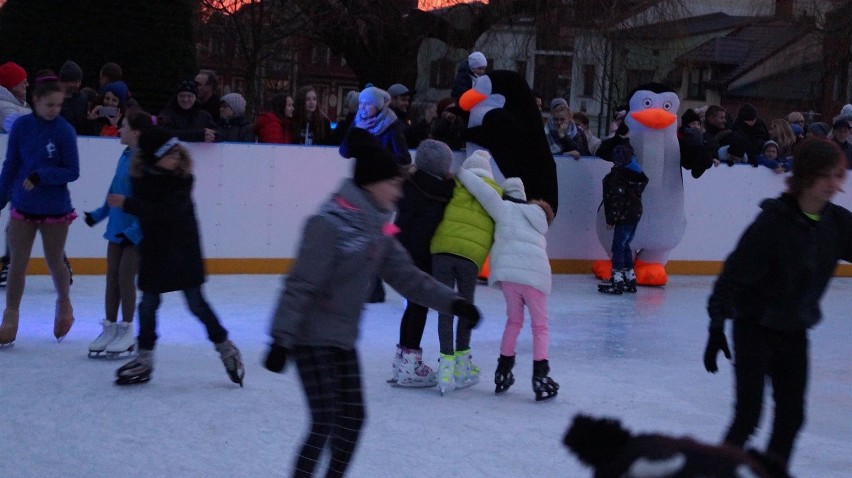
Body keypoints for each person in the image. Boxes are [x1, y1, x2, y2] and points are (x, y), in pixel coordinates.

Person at [263, 128, 481, 477]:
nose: (398, 192)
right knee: (326, 422)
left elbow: (408, 276)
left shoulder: (376, 228)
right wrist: (280, 339)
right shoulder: (328, 224)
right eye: (392, 184)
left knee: (352, 420)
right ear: (371, 184)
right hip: (308, 338)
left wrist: (453, 303)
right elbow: (299, 285)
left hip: (341, 340)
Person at [703, 137, 852, 474]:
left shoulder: (837, 224)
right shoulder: (772, 224)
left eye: (838, 175)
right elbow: (732, 278)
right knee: (748, 418)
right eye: (827, 175)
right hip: (754, 327)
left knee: (791, 419)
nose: (835, 184)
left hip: (794, 330)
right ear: (807, 176)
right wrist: (716, 325)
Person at [107, 127, 244, 386]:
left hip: (183, 252)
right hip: (155, 251)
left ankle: (226, 348)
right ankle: (145, 358)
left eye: (176, 151)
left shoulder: (182, 180)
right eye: (169, 154)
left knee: (196, 304)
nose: (176, 157)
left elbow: (167, 212)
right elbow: (149, 214)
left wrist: (128, 204)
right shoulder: (141, 180)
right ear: (152, 158)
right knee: (147, 305)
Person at [456, 170, 560, 401]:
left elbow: (481, 190)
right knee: (540, 326)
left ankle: (503, 371)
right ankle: (540, 377)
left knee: (514, 321)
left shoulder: (503, 208)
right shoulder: (538, 216)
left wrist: (458, 171)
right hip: (536, 276)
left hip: (510, 276)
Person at [0, 76, 80, 347]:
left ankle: (64, 304)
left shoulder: (64, 131)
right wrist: (1, 196)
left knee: (54, 260)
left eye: (58, 105)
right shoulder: (22, 127)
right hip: (23, 205)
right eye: (49, 104)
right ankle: (10, 317)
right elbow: (11, 165)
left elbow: (72, 170)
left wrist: (41, 175)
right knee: (17, 263)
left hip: (55, 209)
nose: (54, 110)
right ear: (35, 100)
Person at [429, 149, 501, 395]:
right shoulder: (494, 194)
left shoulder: (453, 186)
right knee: (465, 306)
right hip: (470, 257)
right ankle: (461, 364)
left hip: (442, 249)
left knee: (445, 306)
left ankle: (446, 365)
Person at [84, 110, 153, 358]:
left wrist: (133, 231)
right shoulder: (124, 155)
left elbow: (148, 202)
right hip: (116, 227)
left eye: (123, 126)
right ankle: (110, 328)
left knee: (125, 277)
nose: (119, 129)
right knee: (111, 277)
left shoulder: (145, 161)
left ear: (136, 132)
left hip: (136, 231)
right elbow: (113, 190)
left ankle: (126, 330)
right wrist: (98, 214)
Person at [389, 139, 455, 387]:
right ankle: (410, 364)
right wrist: (451, 182)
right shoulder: (439, 191)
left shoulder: (409, 184)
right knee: (419, 307)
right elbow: (449, 194)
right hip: (423, 254)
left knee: (412, 306)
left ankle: (402, 359)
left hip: (402, 250)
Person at [598, 144, 648, 294]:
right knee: (625, 244)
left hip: (624, 216)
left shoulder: (618, 176)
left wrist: (611, 219)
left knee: (618, 246)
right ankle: (629, 276)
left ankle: (617, 278)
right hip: (634, 214)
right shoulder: (637, 174)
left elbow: (616, 199)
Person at [340, 86, 411, 166]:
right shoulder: (358, 122)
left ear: (378, 106)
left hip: (383, 176)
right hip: (362, 176)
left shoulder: (391, 125)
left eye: (368, 104)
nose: (362, 107)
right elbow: (344, 152)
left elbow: (405, 159)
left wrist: (378, 163)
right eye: (361, 103)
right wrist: (357, 130)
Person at [58, 60, 91, 135]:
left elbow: (83, 126)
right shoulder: (51, 99)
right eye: (75, 82)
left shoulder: (81, 100)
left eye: (79, 81)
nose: (78, 85)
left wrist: (90, 120)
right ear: (65, 81)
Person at [0, 61, 30, 133]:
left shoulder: (19, 103)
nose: (27, 84)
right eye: (24, 82)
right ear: (13, 85)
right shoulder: (4, 107)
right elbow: (20, 131)